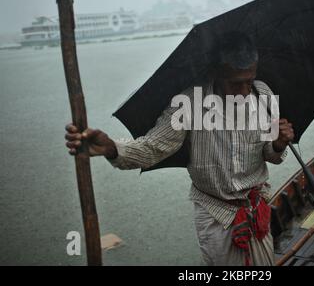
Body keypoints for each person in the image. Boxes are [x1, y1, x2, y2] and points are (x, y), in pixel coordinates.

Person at [65, 31, 294, 266]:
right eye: (236, 83)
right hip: (216, 215)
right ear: (216, 72)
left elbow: (272, 156)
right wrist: (112, 147)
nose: (246, 91)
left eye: (250, 79)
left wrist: (277, 144)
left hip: (257, 209)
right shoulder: (189, 104)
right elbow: (153, 148)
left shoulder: (263, 95)